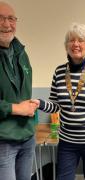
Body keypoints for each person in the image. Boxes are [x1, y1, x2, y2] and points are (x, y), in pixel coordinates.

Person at [32, 22, 85, 180]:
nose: (76, 44)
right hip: (67, 141)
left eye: (81, 40)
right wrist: (39, 103)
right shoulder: (59, 71)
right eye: (71, 40)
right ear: (66, 45)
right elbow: (55, 105)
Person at [0, 2, 37, 180]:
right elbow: (18, 104)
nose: (6, 24)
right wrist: (16, 109)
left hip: (27, 137)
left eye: (11, 18)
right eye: (0, 18)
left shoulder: (21, 52)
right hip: (3, 140)